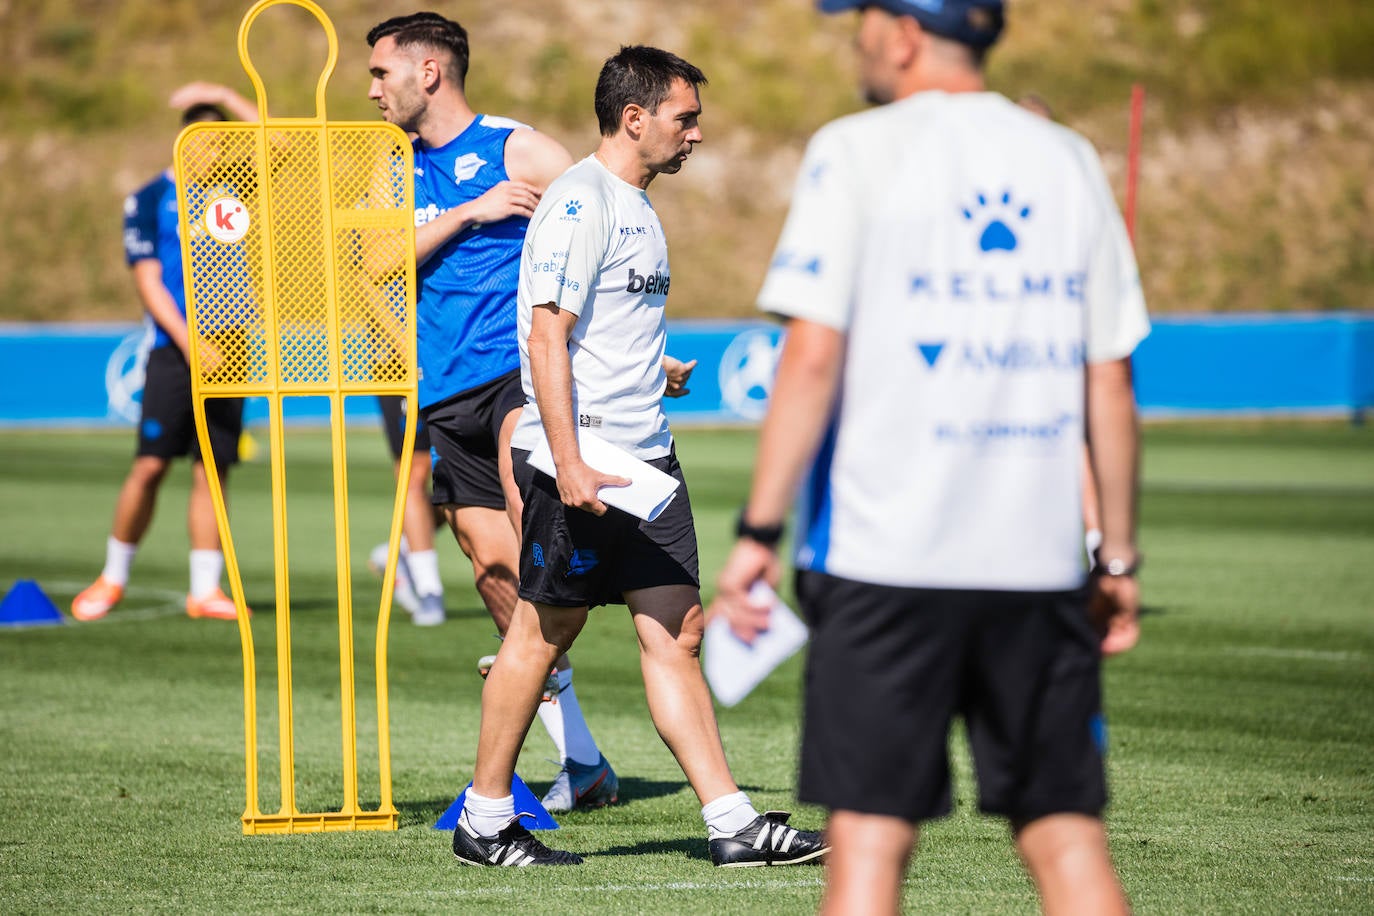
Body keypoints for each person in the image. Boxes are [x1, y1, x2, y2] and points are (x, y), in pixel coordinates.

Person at [710, 2, 1149, 913]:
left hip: (883, 560)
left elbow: (812, 355)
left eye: (862, 19)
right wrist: (1115, 557)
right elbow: (1108, 380)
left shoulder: (855, 148)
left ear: (904, 33)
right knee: (1066, 839)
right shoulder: (1066, 158)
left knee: (868, 843)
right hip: (1035, 562)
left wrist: (757, 530)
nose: (855, 38)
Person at [451, 45, 829, 869]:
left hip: (645, 461)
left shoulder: (633, 203)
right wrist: (569, 459)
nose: (696, 133)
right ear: (635, 118)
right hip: (586, 468)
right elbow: (545, 333)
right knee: (544, 630)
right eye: (684, 117)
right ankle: (484, 820)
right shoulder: (582, 203)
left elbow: (588, 323)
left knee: (679, 632)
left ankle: (731, 823)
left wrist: (651, 366)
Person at [364, 12, 614, 812]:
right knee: (494, 571)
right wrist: (472, 213)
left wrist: (630, 342)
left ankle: (616, 601)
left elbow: (606, 228)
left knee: (527, 523)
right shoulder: (392, 167)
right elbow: (373, 262)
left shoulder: (519, 147)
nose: (372, 90)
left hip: (518, 374)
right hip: (442, 394)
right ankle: (584, 759)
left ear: (429, 72)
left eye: (381, 74)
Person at [72, 82, 260, 623]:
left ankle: (205, 589)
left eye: (220, 142)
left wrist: (226, 93)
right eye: (202, 140)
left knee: (213, 469)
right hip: (175, 350)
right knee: (151, 465)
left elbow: (280, 145)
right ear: (183, 142)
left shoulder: (237, 192)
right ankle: (113, 577)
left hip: (233, 349)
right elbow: (149, 281)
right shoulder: (151, 197)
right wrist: (190, 341)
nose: (212, 152)